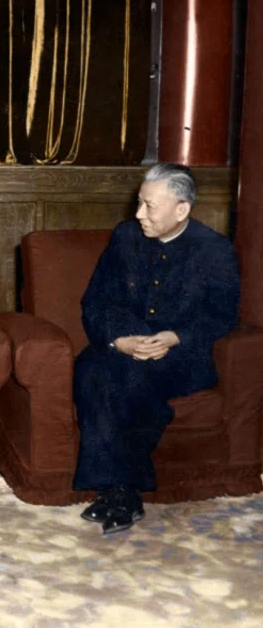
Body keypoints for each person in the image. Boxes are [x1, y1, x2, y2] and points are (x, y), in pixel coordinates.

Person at [73, 163, 239, 534]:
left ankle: (118, 490)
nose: (138, 214)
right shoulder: (124, 237)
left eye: (149, 206)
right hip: (123, 346)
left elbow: (222, 316)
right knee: (91, 368)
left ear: (182, 209)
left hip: (181, 358)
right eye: (138, 203)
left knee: (127, 378)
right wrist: (120, 340)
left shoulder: (215, 250)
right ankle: (122, 491)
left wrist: (175, 337)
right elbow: (97, 303)